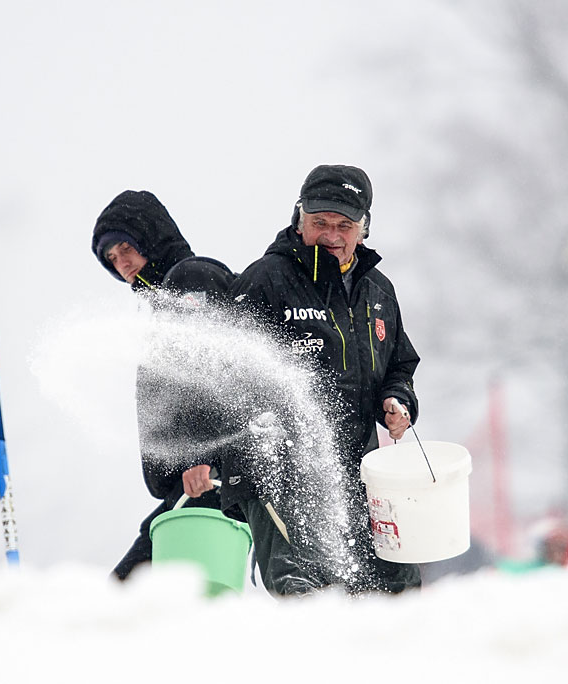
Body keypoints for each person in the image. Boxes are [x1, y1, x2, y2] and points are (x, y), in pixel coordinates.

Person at [223, 164, 421, 595]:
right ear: (300, 220)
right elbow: (225, 371)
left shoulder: (378, 291)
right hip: (278, 470)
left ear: (363, 230)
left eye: (344, 225)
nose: (332, 234)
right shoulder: (266, 280)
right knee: (307, 592)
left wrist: (397, 399)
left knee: (394, 588)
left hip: (357, 469)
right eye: (320, 223)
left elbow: (398, 366)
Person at [91, 189, 238, 581]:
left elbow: (211, 370)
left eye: (126, 248)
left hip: (211, 475)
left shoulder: (191, 280)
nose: (121, 263)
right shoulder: (161, 302)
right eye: (111, 258)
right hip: (193, 483)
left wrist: (201, 455)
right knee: (157, 593)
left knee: (135, 589)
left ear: (151, 239)